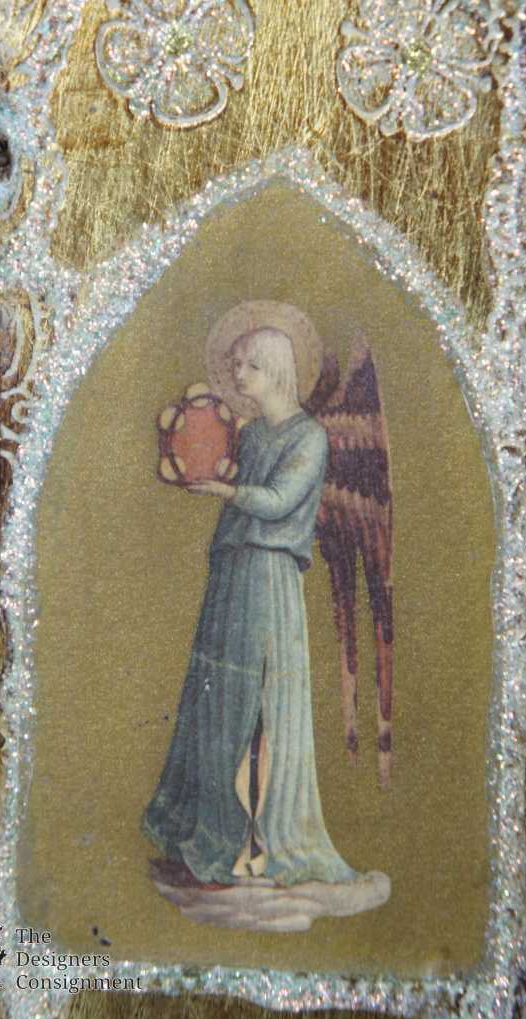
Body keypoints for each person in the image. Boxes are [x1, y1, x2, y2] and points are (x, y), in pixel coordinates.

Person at [141, 326, 358, 887]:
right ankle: (218, 830)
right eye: (236, 364)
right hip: (232, 576)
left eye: (250, 366)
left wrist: (226, 492)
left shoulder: (308, 437)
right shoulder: (252, 434)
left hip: (268, 579)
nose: (239, 376)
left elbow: (281, 500)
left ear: (278, 370)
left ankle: (259, 841)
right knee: (217, 700)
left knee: (257, 705)